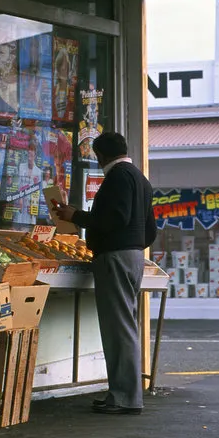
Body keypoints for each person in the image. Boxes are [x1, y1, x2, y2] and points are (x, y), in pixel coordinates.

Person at [55, 131, 156, 415]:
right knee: (125, 326)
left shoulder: (118, 177)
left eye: (96, 156)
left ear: (101, 155)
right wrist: (133, 247)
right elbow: (149, 230)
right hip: (133, 256)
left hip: (115, 257)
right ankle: (124, 394)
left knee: (118, 329)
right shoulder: (140, 178)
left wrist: (76, 216)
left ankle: (124, 397)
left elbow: (114, 218)